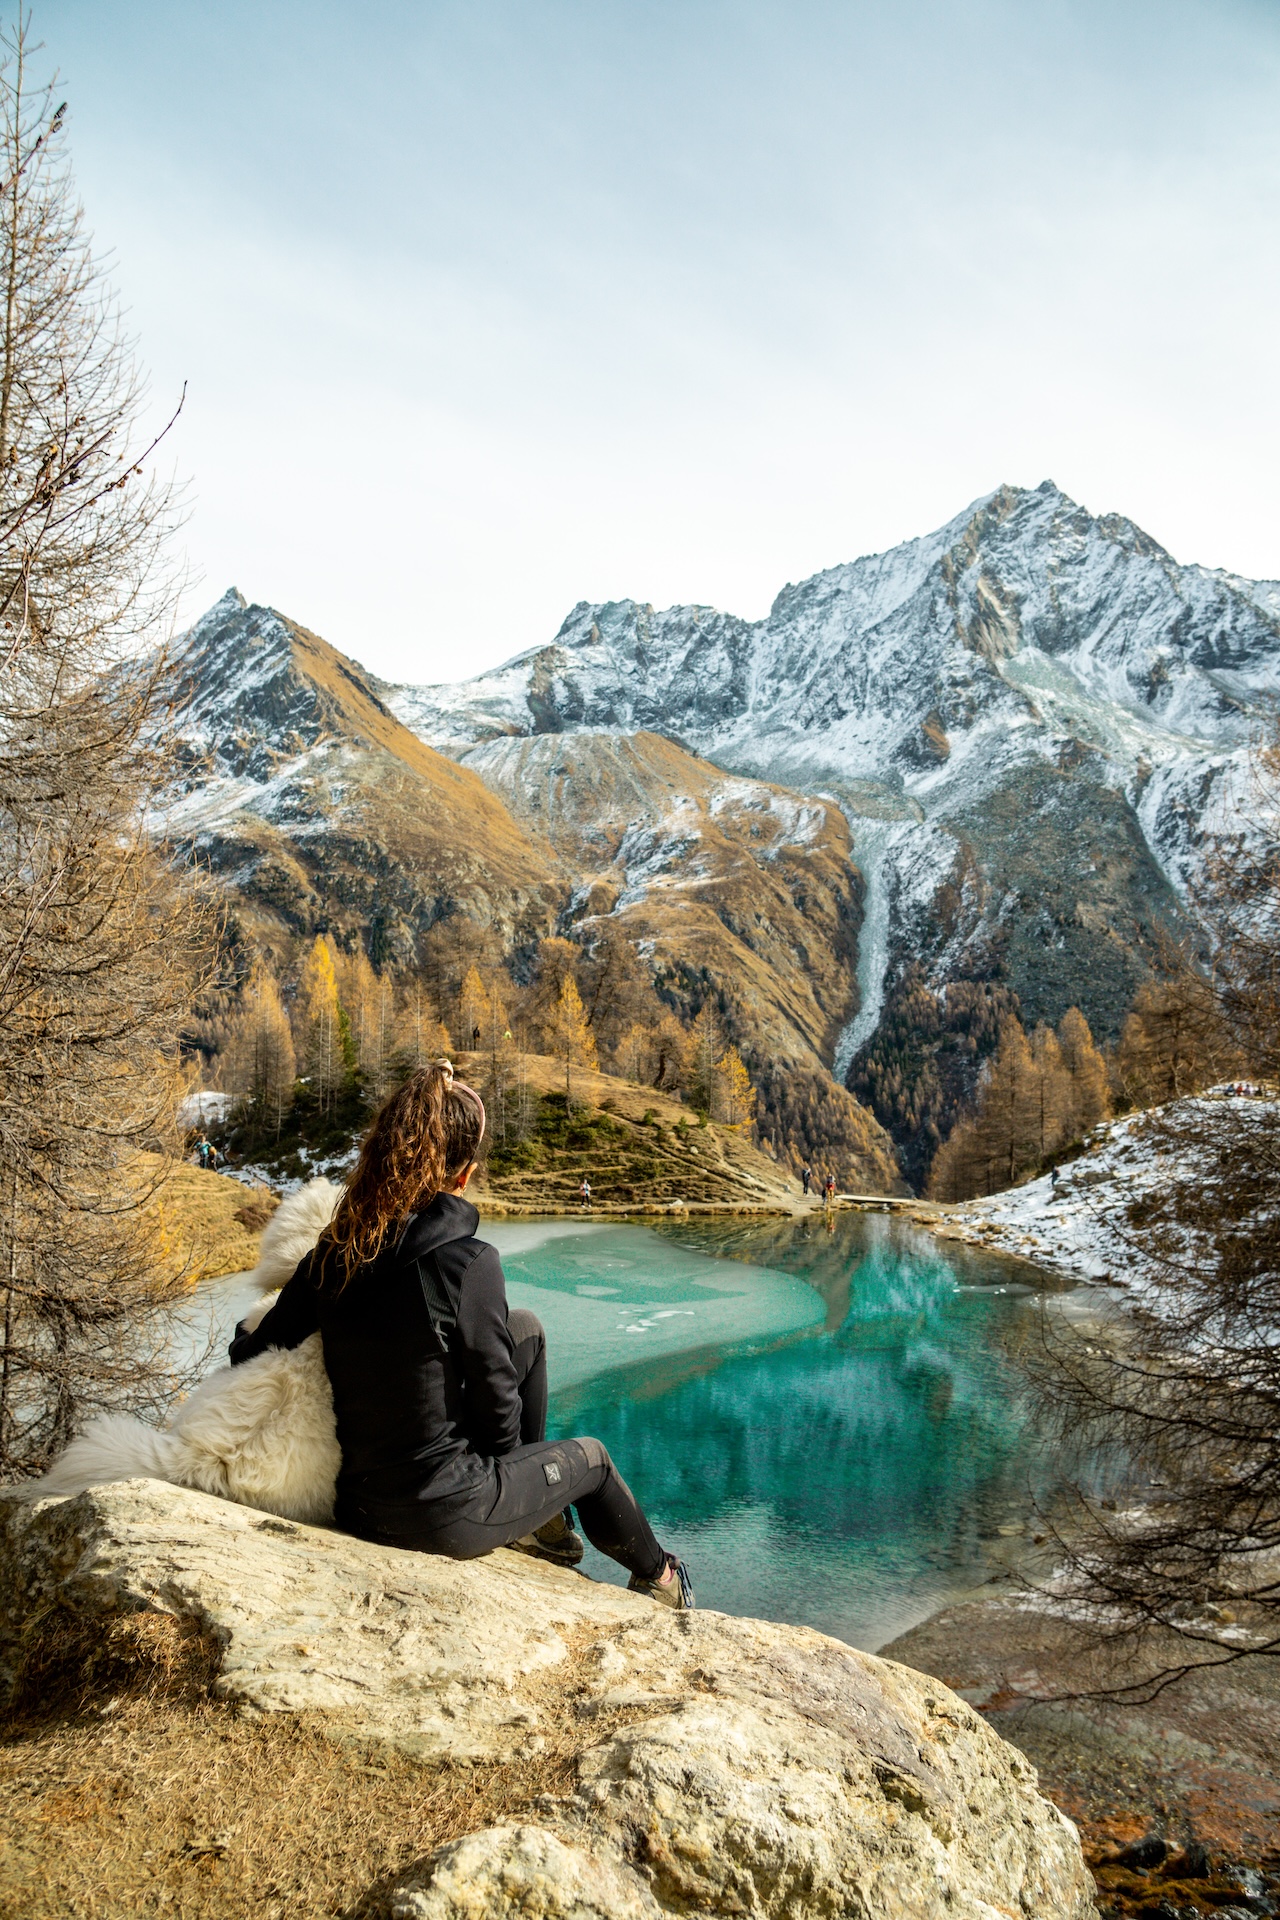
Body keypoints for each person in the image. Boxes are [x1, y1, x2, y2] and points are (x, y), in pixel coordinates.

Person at [228, 1062, 692, 1609]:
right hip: (443, 1513)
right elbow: (497, 1404)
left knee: (528, 1331)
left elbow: (254, 1351)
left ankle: (538, 1528)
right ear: (463, 1175)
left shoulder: (336, 1251)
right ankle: (661, 1579)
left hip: (359, 1501)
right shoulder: (467, 1263)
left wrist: (246, 1328)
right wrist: (510, 1473)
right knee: (592, 1459)